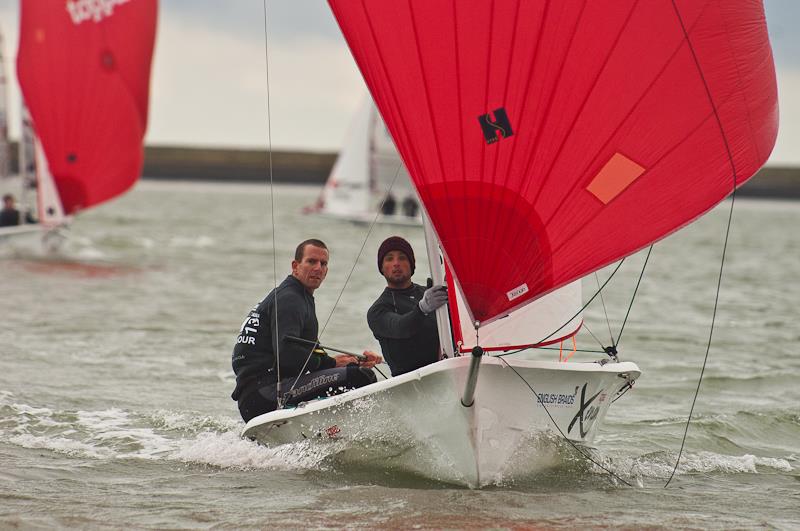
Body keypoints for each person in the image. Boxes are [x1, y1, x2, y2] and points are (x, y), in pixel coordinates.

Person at [231, 238, 382, 422]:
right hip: (265, 394)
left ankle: (328, 427)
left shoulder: (297, 296)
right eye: (311, 261)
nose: (318, 268)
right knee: (360, 377)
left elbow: (309, 349)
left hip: (254, 398)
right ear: (295, 266)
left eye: (323, 263)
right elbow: (287, 354)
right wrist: (331, 364)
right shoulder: (290, 299)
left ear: (326, 271)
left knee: (352, 369)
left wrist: (346, 361)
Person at [367, 236, 448, 376]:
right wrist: (423, 308)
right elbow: (400, 327)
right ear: (382, 267)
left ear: (412, 264)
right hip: (409, 381)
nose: (396, 263)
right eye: (389, 258)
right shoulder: (377, 311)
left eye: (403, 258)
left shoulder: (431, 294)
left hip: (444, 369)